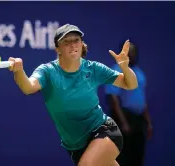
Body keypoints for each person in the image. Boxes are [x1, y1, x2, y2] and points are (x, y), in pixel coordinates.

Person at [8, 24, 138, 166]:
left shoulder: (94, 68)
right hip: (75, 147)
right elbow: (28, 87)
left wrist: (125, 68)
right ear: (57, 49)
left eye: (76, 40)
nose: (72, 45)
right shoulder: (47, 72)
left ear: (82, 44)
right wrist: (19, 71)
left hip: (104, 130)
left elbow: (131, 84)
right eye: (66, 42)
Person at [105, 42, 153, 166]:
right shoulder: (115, 71)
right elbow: (113, 99)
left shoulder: (139, 73)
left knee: (137, 156)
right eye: (128, 51)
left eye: (133, 51)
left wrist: (148, 122)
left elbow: (142, 99)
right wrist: (123, 123)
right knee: (123, 158)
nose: (131, 54)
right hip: (123, 118)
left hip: (138, 119)